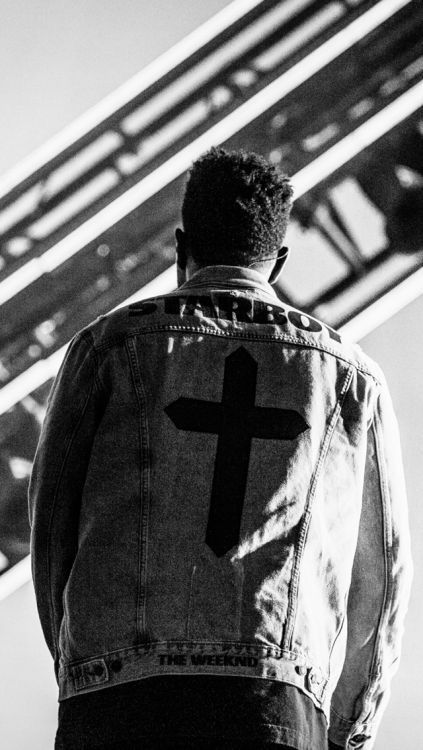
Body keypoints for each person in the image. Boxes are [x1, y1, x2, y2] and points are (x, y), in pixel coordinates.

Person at [29, 147, 413, 750]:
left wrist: (84, 669)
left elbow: (51, 527)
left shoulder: (107, 346)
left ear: (182, 247)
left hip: (117, 702)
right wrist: (346, 729)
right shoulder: (351, 376)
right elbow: (382, 576)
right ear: (279, 260)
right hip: (272, 704)